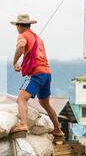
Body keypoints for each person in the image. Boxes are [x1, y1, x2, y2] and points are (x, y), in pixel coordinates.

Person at [11, 14, 65, 143]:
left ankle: (23, 124)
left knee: (21, 99)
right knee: (45, 104)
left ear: (19, 26)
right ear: (29, 25)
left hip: (36, 74)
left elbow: (20, 46)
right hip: (47, 73)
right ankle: (58, 131)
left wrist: (14, 62)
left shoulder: (23, 36)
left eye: (17, 26)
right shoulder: (38, 38)